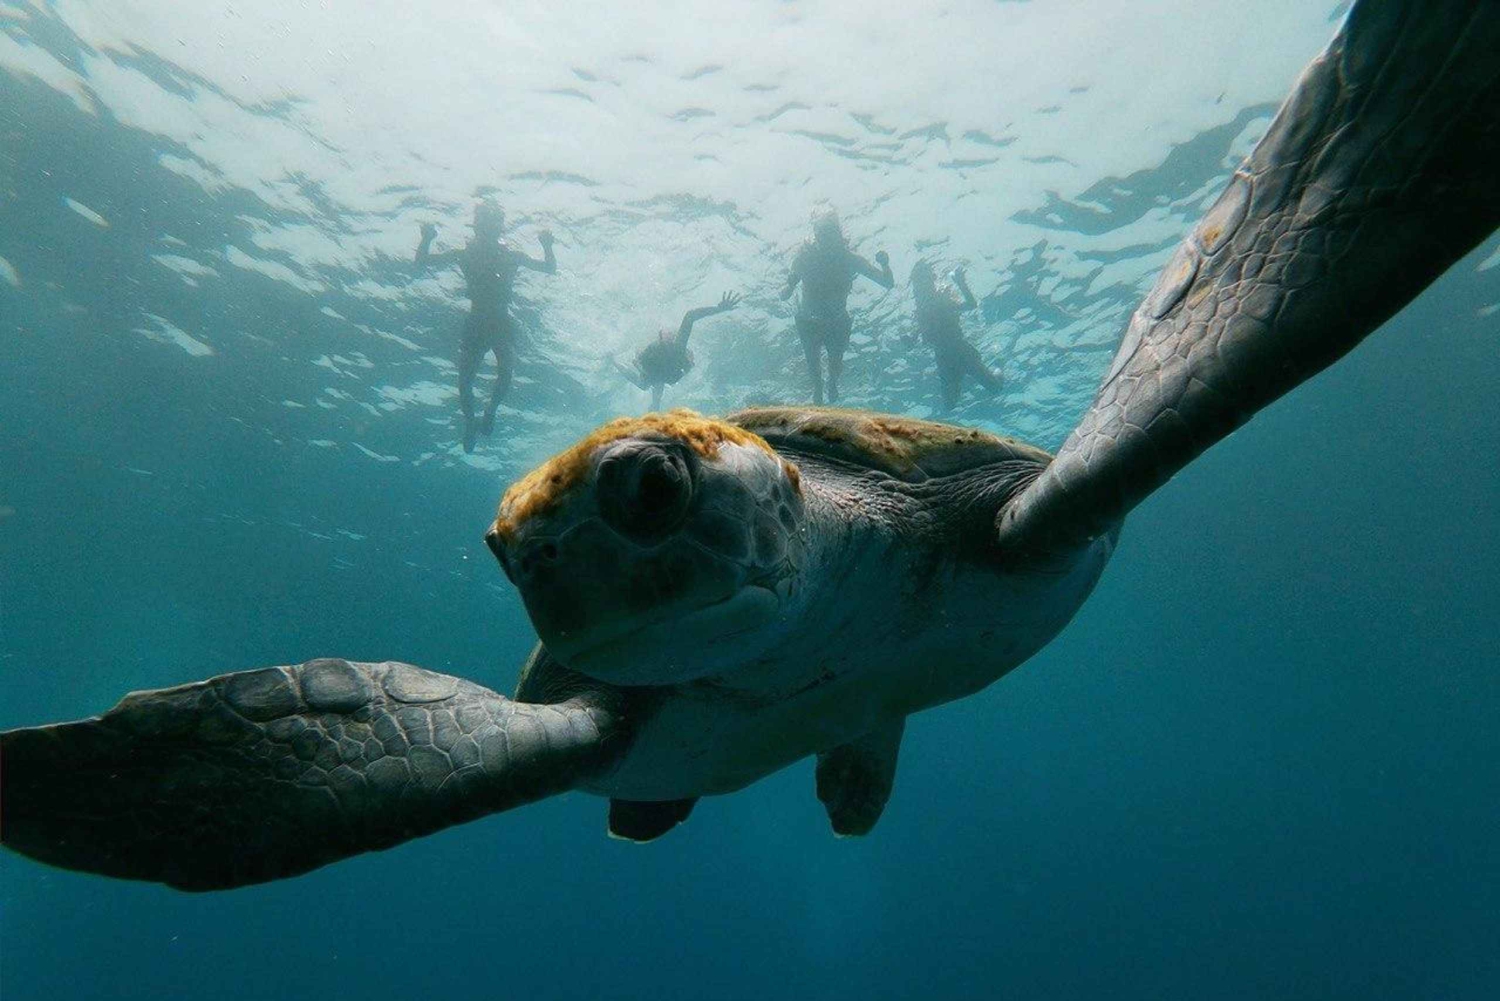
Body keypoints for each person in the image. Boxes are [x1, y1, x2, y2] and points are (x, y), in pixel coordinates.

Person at [413, 201, 556, 452]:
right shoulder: (468, 253)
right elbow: (422, 262)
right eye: (485, 224)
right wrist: (426, 238)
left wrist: (547, 246)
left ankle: (489, 411)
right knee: (467, 379)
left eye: (493, 224)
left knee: (504, 370)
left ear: (497, 229)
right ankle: (471, 421)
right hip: (481, 320)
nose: (489, 230)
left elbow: (549, 269)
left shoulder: (505, 255)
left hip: (496, 320)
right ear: (478, 227)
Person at [780, 207, 894, 404]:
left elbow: (887, 283)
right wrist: (789, 286)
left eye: (830, 234)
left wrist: (885, 264)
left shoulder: (850, 259)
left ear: (839, 235)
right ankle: (818, 389)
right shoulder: (804, 258)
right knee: (813, 367)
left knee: (835, 365)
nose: (826, 240)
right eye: (822, 235)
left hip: (837, 321)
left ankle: (831, 384)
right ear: (816, 236)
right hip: (809, 321)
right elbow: (783, 296)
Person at [613, 292, 741, 411]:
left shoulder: (678, 348)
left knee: (651, 384)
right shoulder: (655, 349)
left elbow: (690, 316)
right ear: (660, 336)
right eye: (665, 333)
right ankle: (613, 362)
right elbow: (690, 316)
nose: (669, 335)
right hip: (655, 373)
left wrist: (719, 309)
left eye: (671, 334)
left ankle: (655, 404)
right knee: (647, 384)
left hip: (663, 373)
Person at [910, 260, 1002, 412]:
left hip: (961, 351)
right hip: (942, 358)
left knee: (995, 388)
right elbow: (921, 334)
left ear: (932, 280)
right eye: (919, 282)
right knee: (949, 405)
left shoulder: (942, 299)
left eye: (926, 280)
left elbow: (971, 305)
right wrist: (910, 340)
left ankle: (998, 365)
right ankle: (970, 378)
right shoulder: (920, 310)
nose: (922, 287)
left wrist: (960, 283)